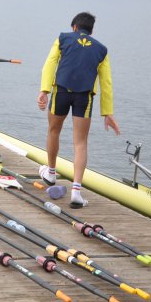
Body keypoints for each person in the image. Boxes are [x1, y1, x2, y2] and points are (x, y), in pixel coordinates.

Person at [37, 12, 120, 208]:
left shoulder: (63, 38)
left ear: (74, 27)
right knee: (80, 142)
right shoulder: (101, 50)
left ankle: (50, 173)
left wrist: (44, 90)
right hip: (85, 97)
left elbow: (49, 64)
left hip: (61, 91)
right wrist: (107, 112)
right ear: (91, 31)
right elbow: (106, 82)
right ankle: (76, 191)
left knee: (53, 130)